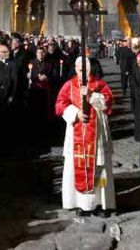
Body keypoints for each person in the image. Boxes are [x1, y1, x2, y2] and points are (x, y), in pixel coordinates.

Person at [55, 56, 115, 216]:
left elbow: (108, 103)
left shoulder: (99, 84)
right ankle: (79, 203)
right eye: (79, 68)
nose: (82, 71)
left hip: (97, 135)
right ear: (75, 69)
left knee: (98, 168)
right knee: (76, 167)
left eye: (86, 68)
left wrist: (90, 95)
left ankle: (101, 203)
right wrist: (76, 113)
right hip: (76, 132)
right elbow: (60, 105)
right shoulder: (69, 85)